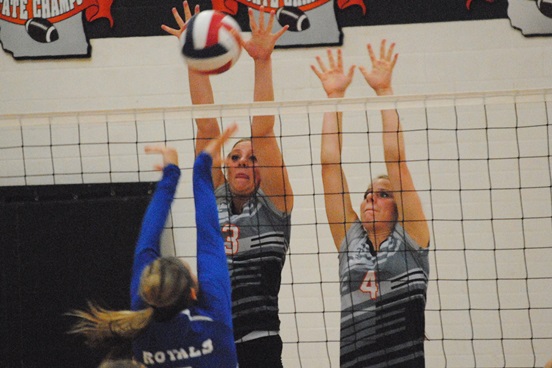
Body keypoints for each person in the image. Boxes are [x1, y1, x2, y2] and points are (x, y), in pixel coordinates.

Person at [163, 4, 293, 368]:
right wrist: (195, 57)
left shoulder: (275, 205)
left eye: (251, 159)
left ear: (263, 171)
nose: (241, 163)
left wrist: (262, 61)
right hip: (213, 340)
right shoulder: (217, 195)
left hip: (261, 343)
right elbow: (207, 130)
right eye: (234, 157)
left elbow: (263, 132)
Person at [68, 124, 239, 368]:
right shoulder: (212, 318)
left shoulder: (143, 329)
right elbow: (205, 238)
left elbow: (203, 239)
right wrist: (196, 169)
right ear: (192, 293)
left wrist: (178, 174)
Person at [311, 41, 430, 367]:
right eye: (367, 194)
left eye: (382, 194)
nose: (370, 199)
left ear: (398, 207)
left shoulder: (413, 240)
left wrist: (384, 91)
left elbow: (397, 160)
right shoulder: (350, 241)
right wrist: (334, 98)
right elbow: (328, 165)